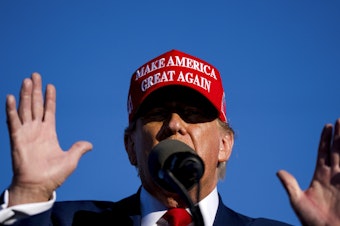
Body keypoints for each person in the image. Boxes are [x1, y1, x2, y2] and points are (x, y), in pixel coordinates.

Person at [0, 49, 339, 226]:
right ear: (131, 146)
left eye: (192, 115)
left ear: (225, 145)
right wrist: (29, 194)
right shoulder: (66, 223)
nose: (174, 125)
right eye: (158, 114)